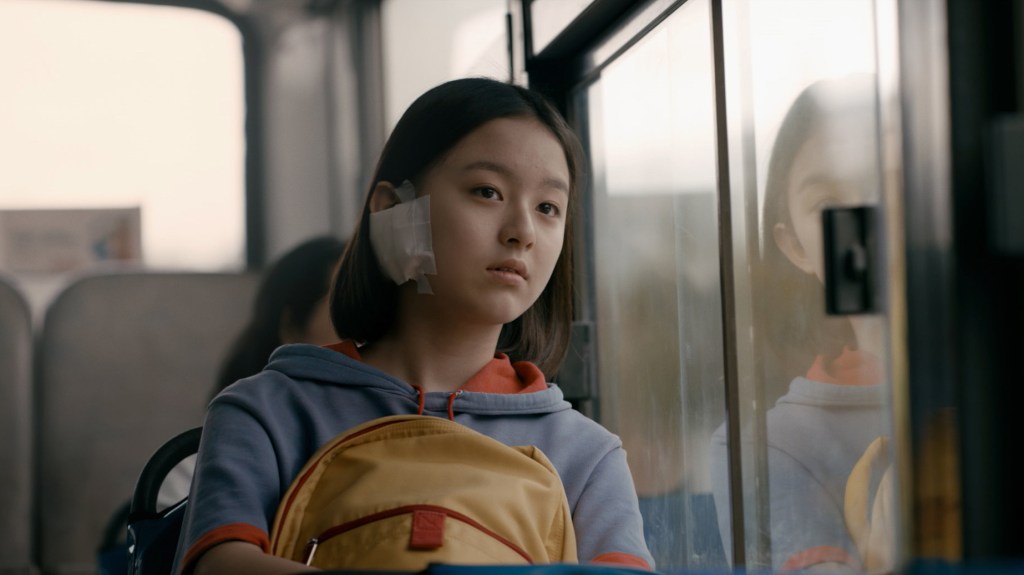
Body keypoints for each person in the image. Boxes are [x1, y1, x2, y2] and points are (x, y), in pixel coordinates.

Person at [172, 77, 654, 575]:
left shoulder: (586, 453)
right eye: (487, 192)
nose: (523, 232)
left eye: (548, 208)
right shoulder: (268, 411)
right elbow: (220, 564)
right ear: (393, 209)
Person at [710, 74, 892, 573]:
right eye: (827, 203)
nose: (864, 216)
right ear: (794, 247)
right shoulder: (766, 447)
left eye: (888, 180)